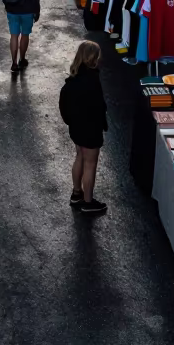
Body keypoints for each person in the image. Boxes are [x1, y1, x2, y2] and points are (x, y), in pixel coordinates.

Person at [58, 41, 108, 215]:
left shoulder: (73, 79)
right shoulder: (92, 80)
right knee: (90, 164)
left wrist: (70, 121)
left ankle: (76, 193)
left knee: (79, 156)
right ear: (94, 59)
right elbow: (100, 107)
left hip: (76, 128)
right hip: (90, 130)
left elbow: (64, 103)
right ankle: (88, 201)